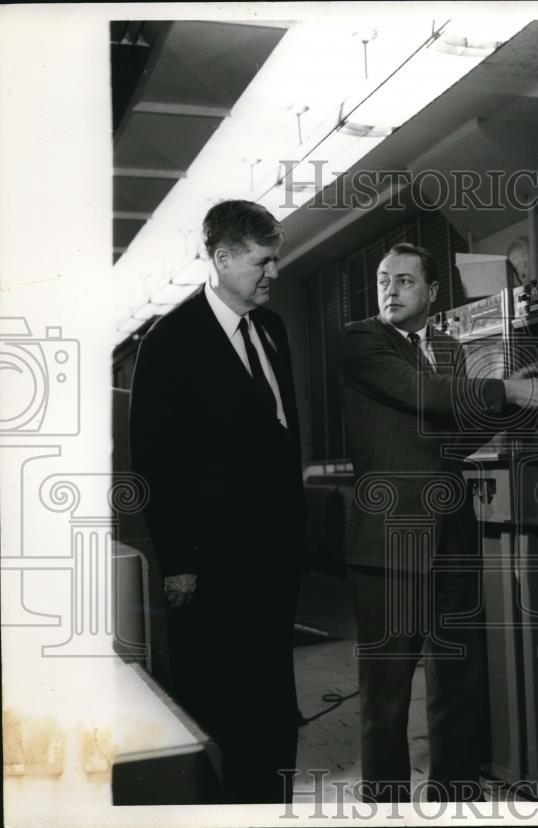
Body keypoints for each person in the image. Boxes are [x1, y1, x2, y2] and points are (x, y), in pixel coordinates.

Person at [337, 242, 538, 802]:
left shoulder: (445, 347)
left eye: (406, 281)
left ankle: (453, 797)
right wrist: (506, 386)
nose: (390, 289)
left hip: (452, 533)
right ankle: (386, 805)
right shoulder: (362, 340)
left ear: (432, 293)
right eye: (385, 278)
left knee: (460, 679)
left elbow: (454, 438)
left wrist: (530, 387)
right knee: (386, 692)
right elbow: (427, 394)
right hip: (389, 540)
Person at [129, 200, 305, 804]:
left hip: (274, 561)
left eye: (276, 259)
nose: (273, 272)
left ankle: (272, 807)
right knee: (222, 710)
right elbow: (153, 461)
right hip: (210, 567)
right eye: (263, 261)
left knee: (276, 709)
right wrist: (178, 559)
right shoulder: (169, 342)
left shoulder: (273, 329)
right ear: (222, 258)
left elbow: (283, 437)